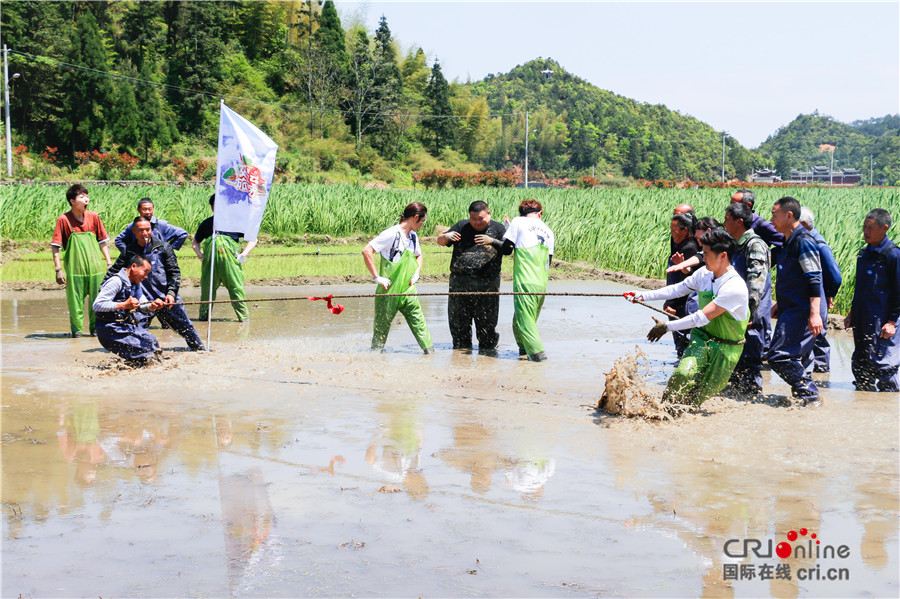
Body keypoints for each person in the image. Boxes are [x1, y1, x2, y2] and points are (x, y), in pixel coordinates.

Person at [625, 229, 749, 405]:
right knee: (682, 375)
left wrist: (666, 327)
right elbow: (677, 289)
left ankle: (687, 415)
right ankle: (663, 411)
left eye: (705, 254)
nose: (702, 259)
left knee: (700, 393)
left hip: (726, 348)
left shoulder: (734, 287)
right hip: (702, 338)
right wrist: (641, 295)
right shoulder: (704, 274)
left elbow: (700, 317)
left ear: (722, 256)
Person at [105, 216, 205, 352]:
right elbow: (114, 272)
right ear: (134, 231)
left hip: (166, 298)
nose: (145, 234)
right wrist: (103, 289)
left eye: (148, 230)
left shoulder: (163, 247)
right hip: (142, 301)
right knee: (136, 334)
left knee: (187, 329)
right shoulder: (129, 251)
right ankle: (142, 357)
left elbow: (174, 272)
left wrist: (171, 293)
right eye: (141, 231)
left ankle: (201, 352)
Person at [767, 196, 826, 406]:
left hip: (803, 311)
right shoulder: (787, 241)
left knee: (778, 356)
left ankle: (810, 394)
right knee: (791, 356)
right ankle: (803, 398)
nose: (771, 219)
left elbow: (813, 278)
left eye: (774, 214)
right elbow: (792, 278)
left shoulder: (803, 241)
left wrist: (815, 313)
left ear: (788, 215)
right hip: (790, 308)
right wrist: (780, 303)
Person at [362, 202, 434, 353]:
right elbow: (367, 251)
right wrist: (377, 277)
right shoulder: (391, 233)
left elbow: (419, 255)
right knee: (381, 330)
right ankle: (375, 358)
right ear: (415, 217)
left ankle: (430, 353)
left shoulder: (413, 236)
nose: (422, 224)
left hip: (408, 289)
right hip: (389, 291)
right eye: (422, 221)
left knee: (420, 324)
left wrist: (417, 273)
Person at [437, 201, 507, 354]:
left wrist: (492, 241)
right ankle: (461, 358)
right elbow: (441, 241)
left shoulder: (498, 228)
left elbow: (508, 249)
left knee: (487, 324)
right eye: (473, 218)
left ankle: (488, 356)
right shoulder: (462, 226)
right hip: (459, 283)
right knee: (458, 324)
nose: (477, 222)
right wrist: (446, 236)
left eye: (481, 218)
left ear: (488, 214)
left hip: (487, 284)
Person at [844, 209, 899, 392]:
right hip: (863, 317)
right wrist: (852, 313)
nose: (865, 231)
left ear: (884, 228)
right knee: (861, 361)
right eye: (864, 227)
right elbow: (860, 288)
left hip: (883, 320)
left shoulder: (892, 255)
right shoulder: (864, 254)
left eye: (870, 228)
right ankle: (863, 403)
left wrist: (892, 322)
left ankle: (886, 407)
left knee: (885, 364)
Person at [50, 183, 113, 337]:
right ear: (72, 201)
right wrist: (58, 269)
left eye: (87, 196)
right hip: (74, 270)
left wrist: (109, 263)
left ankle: (95, 331)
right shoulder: (64, 219)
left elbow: (102, 241)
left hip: (95, 269)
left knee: (97, 301)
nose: (86, 199)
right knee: (75, 303)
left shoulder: (93, 217)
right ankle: (77, 333)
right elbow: (55, 246)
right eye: (82, 196)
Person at [723, 202, 772, 395]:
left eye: (727, 220)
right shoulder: (736, 245)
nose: (724, 224)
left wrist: (749, 311)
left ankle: (751, 395)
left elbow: (756, 281)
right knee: (736, 356)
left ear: (739, 222)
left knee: (750, 355)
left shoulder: (755, 245)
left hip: (751, 312)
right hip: (738, 311)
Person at [499, 199, 555, 362]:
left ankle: (539, 358)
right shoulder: (549, 231)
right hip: (541, 282)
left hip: (525, 279)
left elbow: (506, 250)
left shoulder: (518, 221)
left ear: (522, 212)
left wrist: (505, 232)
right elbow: (548, 261)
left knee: (526, 323)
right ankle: (523, 352)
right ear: (540, 213)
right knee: (519, 320)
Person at [193, 194, 256, 322]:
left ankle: (244, 319)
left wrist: (243, 255)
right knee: (207, 292)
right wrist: (200, 255)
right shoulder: (206, 224)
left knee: (236, 290)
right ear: (212, 207)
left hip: (231, 265)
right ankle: (203, 320)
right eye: (217, 206)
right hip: (210, 266)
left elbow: (253, 239)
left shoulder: (236, 223)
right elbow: (195, 241)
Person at [92, 254, 165, 364]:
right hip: (109, 330)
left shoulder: (135, 284)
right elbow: (97, 305)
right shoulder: (116, 282)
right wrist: (124, 305)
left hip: (124, 327)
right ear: (134, 266)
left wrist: (152, 306)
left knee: (151, 341)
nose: (146, 277)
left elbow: (142, 303)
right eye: (145, 272)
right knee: (144, 354)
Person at [799, 206, 842, 373]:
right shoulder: (804, 242)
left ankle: (821, 375)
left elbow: (835, 276)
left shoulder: (818, 245)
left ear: (803, 223)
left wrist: (829, 294)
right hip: (811, 295)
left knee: (817, 336)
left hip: (819, 295)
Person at [666, 212, 700, 359]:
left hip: (682, 304)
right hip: (677, 300)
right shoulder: (681, 245)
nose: (672, 234)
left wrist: (672, 302)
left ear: (685, 230)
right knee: (682, 343)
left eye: (674, 230)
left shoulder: (689, 248)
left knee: (683, 342)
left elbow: (687, 282)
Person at [114, 197, 189, 253]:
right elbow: (118, 240)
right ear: (138, 210)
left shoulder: (162, 225)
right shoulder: (133, 226)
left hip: (158, 262)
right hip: (139, 261)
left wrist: (168, 250)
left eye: (150, 209)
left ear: (153, 209)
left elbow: (182, 234)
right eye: (144, 209)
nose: (147, 212)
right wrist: (128, 253)